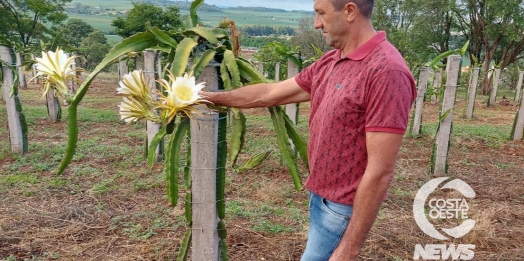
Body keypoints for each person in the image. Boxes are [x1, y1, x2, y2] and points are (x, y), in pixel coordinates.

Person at [202, 0, 416, 260]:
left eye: (321, 14)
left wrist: (350, 247)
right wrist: (208, 98)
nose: (316, 23)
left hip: (343, 208)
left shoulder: (386, 71)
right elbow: (270, 93)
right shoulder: (332, 60)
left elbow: (381, 170)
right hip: (321, 197)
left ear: (349, 11)